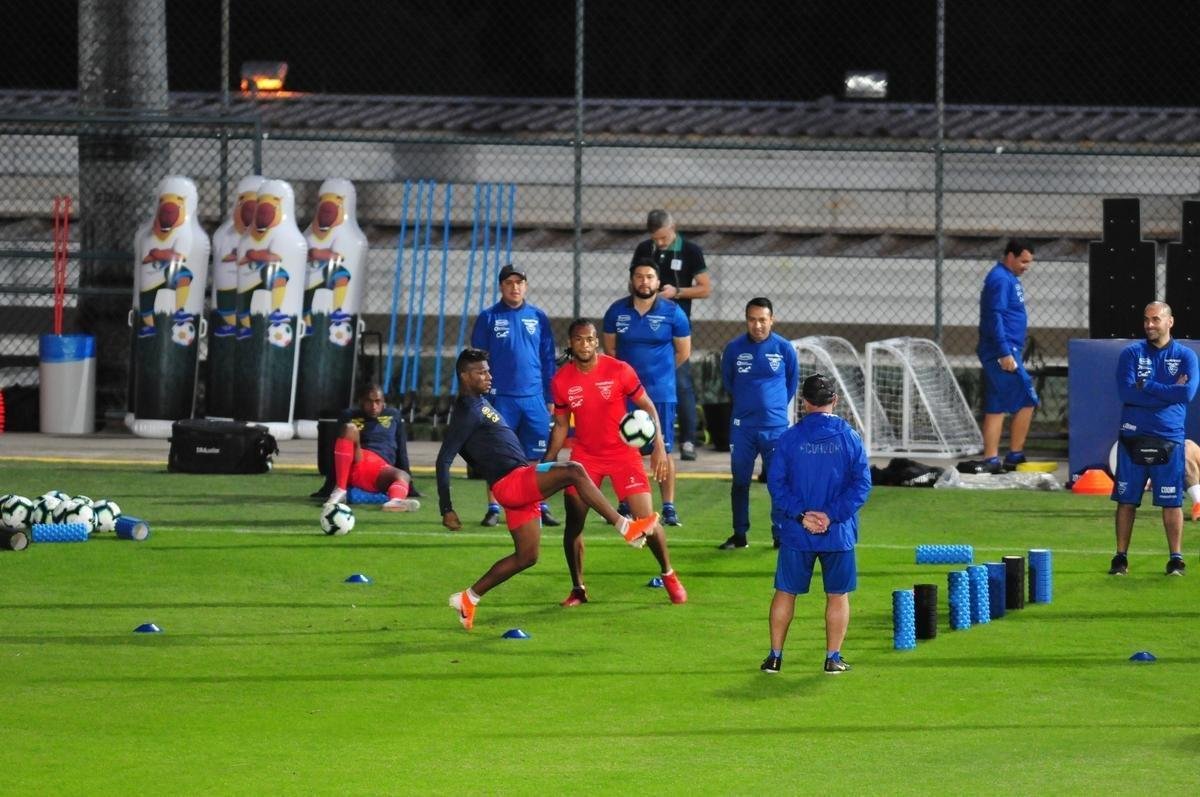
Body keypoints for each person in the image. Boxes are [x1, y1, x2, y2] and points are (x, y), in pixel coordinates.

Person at [440, 348, 661, 630]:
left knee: (527, 556)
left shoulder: (479, 403)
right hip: (512, 482)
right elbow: (444, 459)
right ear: (464, 376)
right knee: (574, 470)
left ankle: (468, 598)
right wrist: (446, 508)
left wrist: (483, 462)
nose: (488, 375)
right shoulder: (465, 411)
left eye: (488, 370)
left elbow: (476, 449)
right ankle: (625, 527)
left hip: (513, 482)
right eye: (481, 372)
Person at [544, 319, 688, 606]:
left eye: (590, 339)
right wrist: (547, 462)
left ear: (597, 341)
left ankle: (669, 574)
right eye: (579, 340)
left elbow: (647, 406)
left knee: (646, 520)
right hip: (585, 458)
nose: (585, 345)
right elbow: (561, 426)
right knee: (574, 524)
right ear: (571, 343)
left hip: (623, 455)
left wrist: (658, 444)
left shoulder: (619, 369)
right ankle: (578, 589)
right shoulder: (561, 380)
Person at [762, 374, 871, 675]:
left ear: (804, 403)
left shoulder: (789, 439)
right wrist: (831, 515)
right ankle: (832, 658)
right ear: (834, 400)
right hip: (838, 533)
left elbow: (777, 484)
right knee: (837, 594)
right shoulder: (849, 437)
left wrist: (802, 515)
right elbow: (862, 484)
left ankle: (774, 657)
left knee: (786, 591)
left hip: (798, 533)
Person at [1109, 301, 1198, 576]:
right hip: (1132, 435)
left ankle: (1176, 558)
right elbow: (1127, 394)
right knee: (1127, 500)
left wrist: (1147, 385)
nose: (1149, 325)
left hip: (1169, 437)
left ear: (1169, 322)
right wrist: (1168, 390)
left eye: (1155, 319)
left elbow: (1187, 395)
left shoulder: (1186, 356)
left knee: (1171, 501)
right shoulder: (1131, 354)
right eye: (1146, 320)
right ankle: (1120, 558)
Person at [602, 258, 692, 526]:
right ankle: (625, 501)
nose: (644, 281)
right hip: (625, 395)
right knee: (624, 449)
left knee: (662, 450)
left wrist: (660, 374)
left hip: (660, 394)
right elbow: (611, 350)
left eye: (649, 276)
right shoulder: (616, 312)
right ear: (632, 280)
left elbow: (683, 352)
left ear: (657, 280)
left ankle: (668, 506)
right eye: (639, 276)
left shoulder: (673, 312)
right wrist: (629, 381)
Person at [470, 263, 560, 528]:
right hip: (500, 397)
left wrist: (549, 395)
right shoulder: (488, 317)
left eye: (519, 282)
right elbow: (478, 362)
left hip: (533, 398)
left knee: (535, 455)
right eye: (509, 283)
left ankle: (538, 505)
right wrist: (481, 395)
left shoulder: (538, 317)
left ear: (526, 286)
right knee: (499, 453)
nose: (515, 287)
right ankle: (493, 507)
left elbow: (547, 358)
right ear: (501, 286)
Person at [630, 210, 712, 462]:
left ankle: (687, 439)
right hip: (643, 328)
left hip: (674, 328)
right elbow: (633, 282)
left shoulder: (690, 250)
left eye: (664, 238)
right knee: (635, 384)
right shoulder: (644, 248)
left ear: (673, 228)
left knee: (681, 382)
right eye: (656, 239)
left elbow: (705, 288)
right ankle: (636, 437)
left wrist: (675, 292)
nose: (660, 243)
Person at [719, 297, 798, 550]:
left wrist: (772, 411)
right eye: (752, 320)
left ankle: (780, 535)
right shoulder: (733, 349)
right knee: (740, 481)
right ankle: (739, 534)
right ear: (746, 321)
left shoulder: (784, 349)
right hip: (743, 428)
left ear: (772, 320)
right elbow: (728, 382)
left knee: (778, 483)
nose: (758, 325)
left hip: (775, 429)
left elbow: (791, 383)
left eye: (763, 320)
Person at [973, 238, 1039, 473]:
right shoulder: (1000, 279)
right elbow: (994, 316)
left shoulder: (1008, 278)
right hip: (1003, 351)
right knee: (1028, 399)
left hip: (1004, 349)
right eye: (1023, 261)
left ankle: (991, 458)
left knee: (996, 404)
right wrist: (1004, 352)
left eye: (1029, 262)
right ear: (1010, 256)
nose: (1026, 266)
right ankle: (1014, 455)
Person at [326, 383, 420, 512]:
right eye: (369, 402)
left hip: (380, 469)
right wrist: (328, 485)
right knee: (349, 428)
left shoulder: (394, 415)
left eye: (377, 402)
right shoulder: (349, 415)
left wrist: (411, 488)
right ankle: (340, 490)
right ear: (361, 402)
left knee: (403, 476)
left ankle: (394, 501)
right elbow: (335, 450)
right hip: (358, 459)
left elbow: (402, 451)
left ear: (383, 402)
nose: (374, 406)